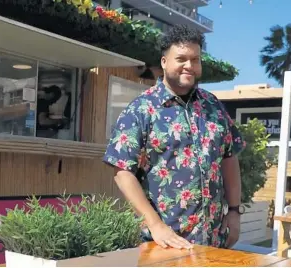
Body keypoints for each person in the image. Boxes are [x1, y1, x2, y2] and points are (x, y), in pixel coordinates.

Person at [102, 25, 245, 249]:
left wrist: (235, 212)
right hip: (163, 243)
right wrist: (155, 224)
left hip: (214, 241)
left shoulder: (213, 106)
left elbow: (229, 158)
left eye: (195, 59)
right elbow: (122, 172)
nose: (189, 65)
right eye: (181, 59)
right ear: (164, 62)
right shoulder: (141, 109)